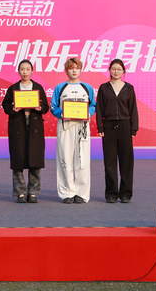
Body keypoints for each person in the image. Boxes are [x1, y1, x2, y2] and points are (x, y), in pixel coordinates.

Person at [2, 60, 50, 203]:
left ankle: (33, 192)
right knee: (18, 159)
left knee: (35, 159)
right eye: (22, 69)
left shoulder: (38, 88)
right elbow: (5, 105)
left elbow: (46, 107)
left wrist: (39, 108)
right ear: (18, 71)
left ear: (32, 71)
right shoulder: (13, 88)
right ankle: (21, 193)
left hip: (34, 126)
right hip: (18, 126)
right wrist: (13, 108)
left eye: (27, 69)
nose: (25, 72)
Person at [50, 57, 96, 204]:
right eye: (71, 68)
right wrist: (61, 113)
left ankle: (82, 194)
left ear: (80, 69)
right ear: (66, 71)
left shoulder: (87, 87)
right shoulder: (60, 87)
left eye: (77, 68)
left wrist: (89, 113)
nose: (74, 71)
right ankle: (67, 193)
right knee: (65, 160)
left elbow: (93, 105)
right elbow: (53, 107)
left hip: (82, 128)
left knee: (82, 161)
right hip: (65, 127)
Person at [96, 58, 139, 204]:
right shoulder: (104, 88)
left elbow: (133, 109)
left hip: (125, 127)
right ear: (109, 70)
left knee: (127, 162)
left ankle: (126, 193)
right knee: (109, 162)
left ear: (123, 71)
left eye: (119, 69)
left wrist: (133, 128)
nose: (116, 71)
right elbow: (99, 109)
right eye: (113, 69)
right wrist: (100, 127)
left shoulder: (129, 88)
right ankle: (111, 194)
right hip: (108, 127)